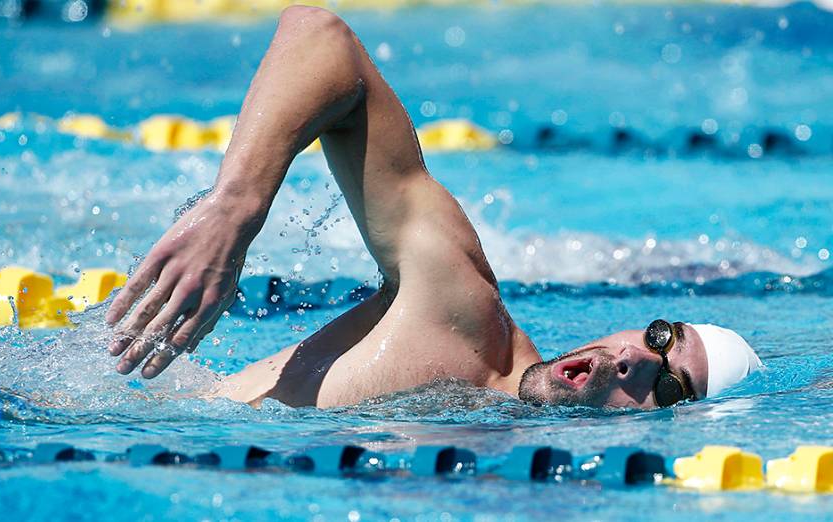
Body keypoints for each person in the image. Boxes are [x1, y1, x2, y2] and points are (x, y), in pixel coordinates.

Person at [105, 6, 762, 409]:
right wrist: (235, 209)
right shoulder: (461, 313)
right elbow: (321, 37)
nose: (637, 362)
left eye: (670, 388)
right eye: (658, 339)